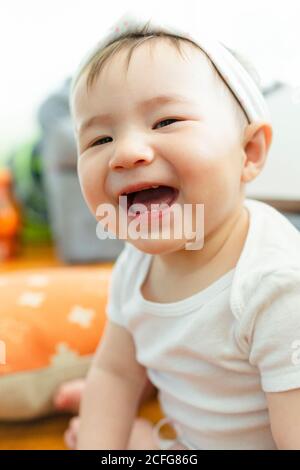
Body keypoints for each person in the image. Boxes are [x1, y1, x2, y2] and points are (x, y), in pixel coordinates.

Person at [54, 11, 300, 449]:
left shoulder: (276, 286)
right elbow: (115, 372)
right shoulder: (136, 265)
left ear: (249, 151)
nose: (126, 153)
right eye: (99, 140)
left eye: (166, 122)